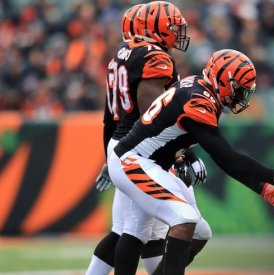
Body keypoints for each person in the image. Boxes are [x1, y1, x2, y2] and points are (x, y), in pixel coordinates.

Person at [107, 49, 274, 274]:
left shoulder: (199, 87)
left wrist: (262, 188)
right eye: (239, 90)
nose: (242, 97)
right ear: (224, 81)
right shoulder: (197, 101)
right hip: (132, 161)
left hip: (152, 163)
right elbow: (228, 159)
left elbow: (221, 155)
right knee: (181, 219)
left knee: (200, 233)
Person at [86, 2, 211, 274]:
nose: (178, 32)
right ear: (153, 28)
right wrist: (181, 152)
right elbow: (152, 110)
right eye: (172, 26)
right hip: (143, 146)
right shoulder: (154, 56)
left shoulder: (122, 53)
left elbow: (110, 115)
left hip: (124, 142)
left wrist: (110, 156)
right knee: (136, 230)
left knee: (132, 230)